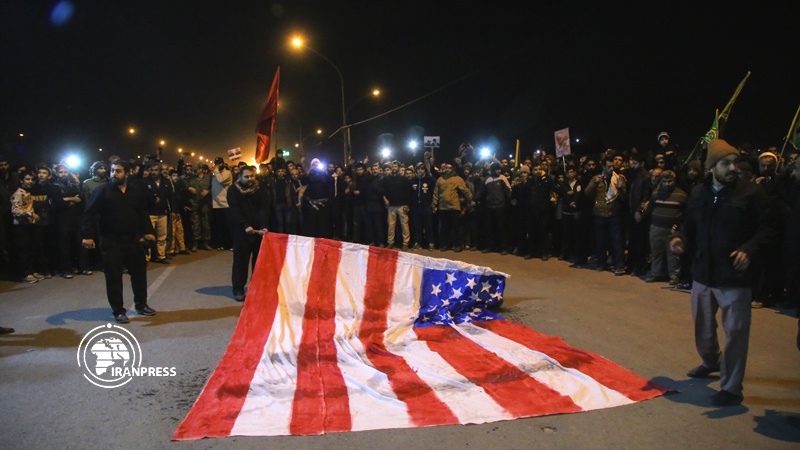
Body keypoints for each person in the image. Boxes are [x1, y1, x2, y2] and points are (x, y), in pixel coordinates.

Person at [671, 139, 777, 407]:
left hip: (734, 278)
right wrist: (680, 240)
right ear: (711, 168)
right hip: (703, 273)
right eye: (726, 163)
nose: (733, 168)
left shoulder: (751, 193)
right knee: (703, 329)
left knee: (736, 333)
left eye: (735, 163)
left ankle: (731, 388)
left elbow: (768, 228)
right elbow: (690, 227)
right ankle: (710, 362)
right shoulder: (698, 193)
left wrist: (749, 249)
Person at [82, 161, 157, 324]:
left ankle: (141, 305)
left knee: (139, 274)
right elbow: (89, 213)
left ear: (127, 173)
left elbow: (142, 212)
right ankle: (118, 310)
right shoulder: (102, 191)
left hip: (133, 240)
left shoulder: (134, 191)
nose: (114, 174)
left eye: (118, 171)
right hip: (111, 241)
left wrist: (148, 232)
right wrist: (87, 236)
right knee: (114, 277)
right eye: (113, 171)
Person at [227, 166, 269, 302]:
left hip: (258, 232)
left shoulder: (260, 189)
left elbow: (264, 208)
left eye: (252, 176)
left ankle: (255, 288)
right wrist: (245, 225)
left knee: (258, 262)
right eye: (247, 177)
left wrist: (263, 226)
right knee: (241, 261)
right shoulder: (233, 190)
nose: (250, 179)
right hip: (241, 231)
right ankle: (238, 288)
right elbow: (234, 210)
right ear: (240, 177)